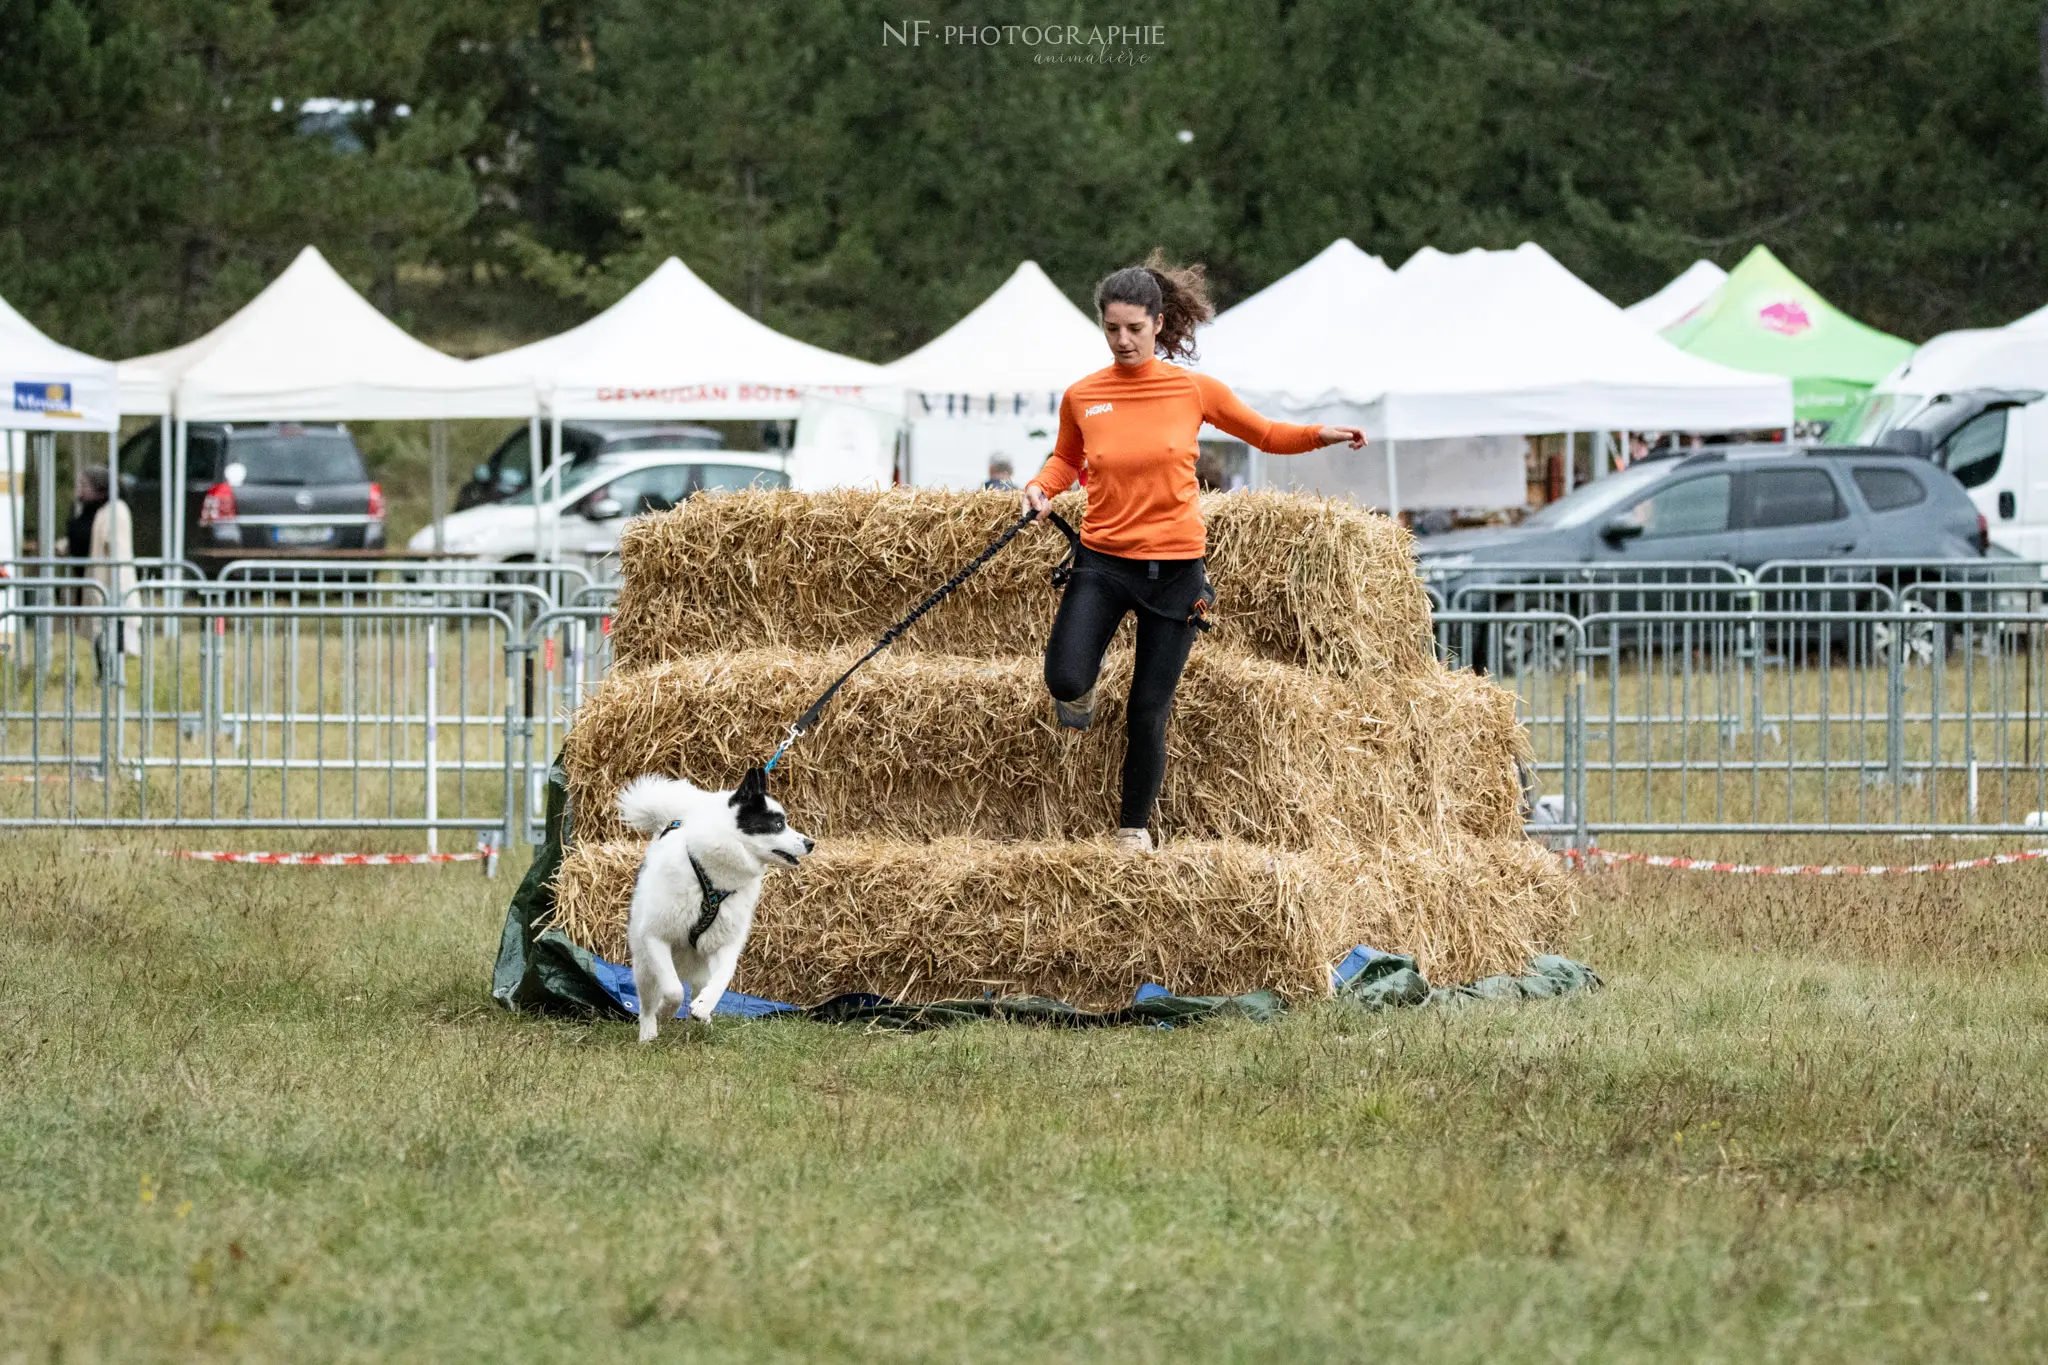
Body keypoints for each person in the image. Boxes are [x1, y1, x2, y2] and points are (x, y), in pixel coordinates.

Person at [1021, 251, 1366, 853]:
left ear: (1158, 322)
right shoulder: (1083, 395)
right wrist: (1041, 488)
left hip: (1176, 572)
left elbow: (1265, 434)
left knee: (1148, 707)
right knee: (1065, 677)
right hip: (1102, 561)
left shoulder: (1192, 389)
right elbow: (1066, 460)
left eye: (1134, 328)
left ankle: (1134, 829)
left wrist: (1319, 434)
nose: (1123, 340)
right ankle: (1079, 692)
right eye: (1111, 329)